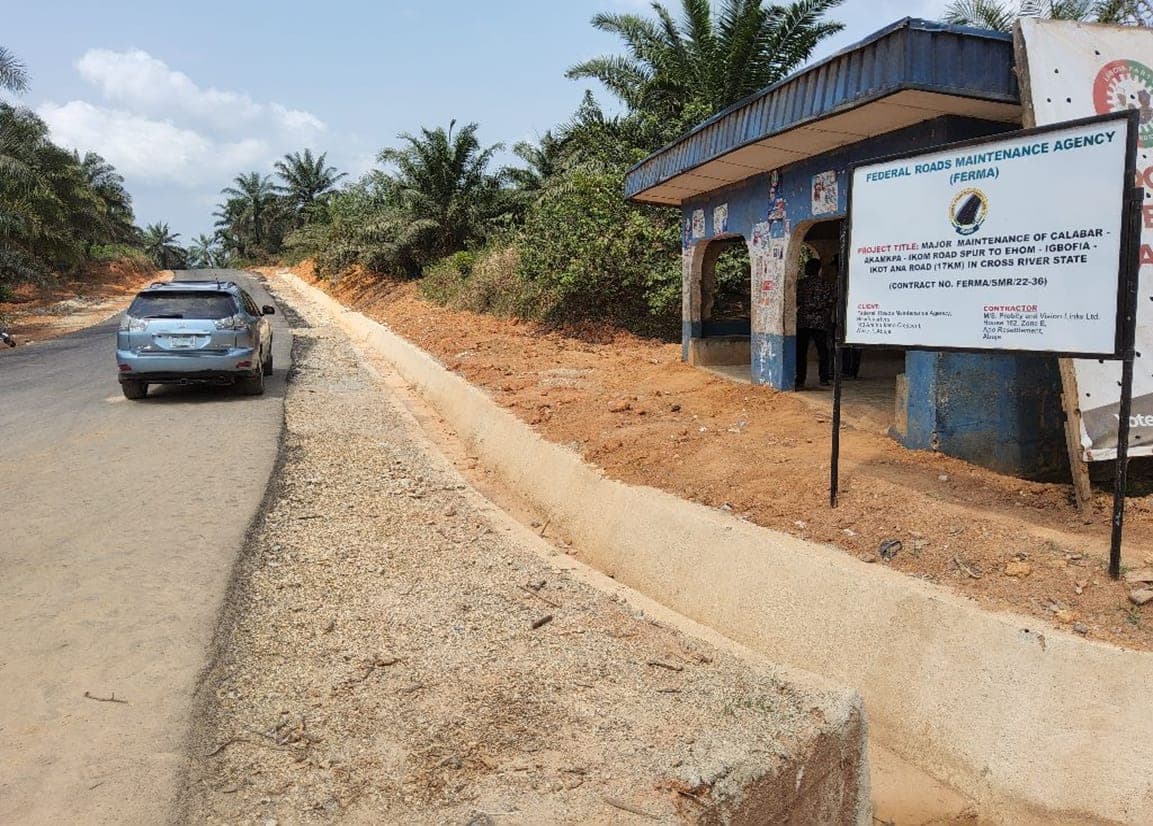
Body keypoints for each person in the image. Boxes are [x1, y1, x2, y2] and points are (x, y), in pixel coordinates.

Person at [796, 257, 835, 389]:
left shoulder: (801, 284)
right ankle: (823, 378)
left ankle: (800, 379)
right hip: (820, 322)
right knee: (823, 351)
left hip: (803, 322)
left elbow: (797, 301)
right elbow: (830, 303)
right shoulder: (826, 285)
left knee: (801, 352)